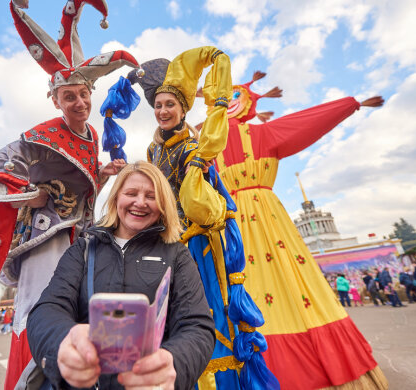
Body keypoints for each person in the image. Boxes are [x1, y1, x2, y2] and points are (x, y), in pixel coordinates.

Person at [0, 3, 138, 388]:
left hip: (84, 241)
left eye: (83, 94)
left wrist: (104, 176)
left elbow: (85, 196)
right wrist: (28, 195)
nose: (79, 103)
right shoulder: (44, 134)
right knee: (43, 311)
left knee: (81, 312)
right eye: (69, 97)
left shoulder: (92, 139)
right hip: (47, 240)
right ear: (55, 101)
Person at [208, 69, 387, 388]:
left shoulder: (262, 134)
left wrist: (349, 104)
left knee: (283, 284)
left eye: (236, 95)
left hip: (264, 222)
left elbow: (305, 121)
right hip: (228, 224)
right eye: (224, 96)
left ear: (247, 101)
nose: (228, 101)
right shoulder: (207, 148)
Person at [123, 48, 277, 389]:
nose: (163, 111)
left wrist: (200, 175)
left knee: (206, 315)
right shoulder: (153, 151)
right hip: (165, 245)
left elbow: (204, 207)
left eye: (169, 105)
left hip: (197, 246)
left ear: (182, 109)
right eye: (158, 105)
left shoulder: (194, 150)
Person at [27, 161, 215, 390]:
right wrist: (62, 343)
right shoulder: (83, 249)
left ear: (163, 205)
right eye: (131, 193)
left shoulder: (177, 255)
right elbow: (48, 308)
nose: (140, 202)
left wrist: (175, 363)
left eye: (151, 196)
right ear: (116, 198)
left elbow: (197, 326)